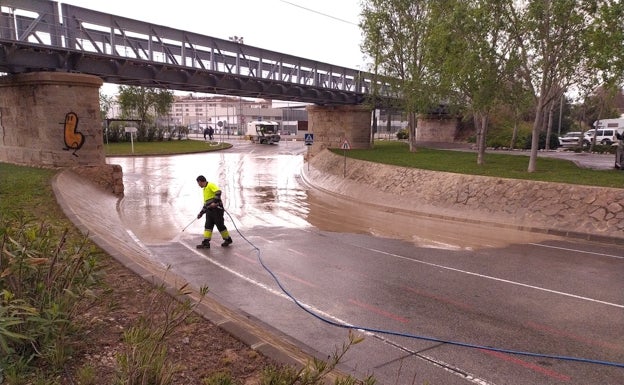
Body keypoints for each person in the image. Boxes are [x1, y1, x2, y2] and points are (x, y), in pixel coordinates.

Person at [195, 175, 233, 249]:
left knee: (220, 226)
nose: (198, 185)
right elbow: (206, 204)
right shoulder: (204, 189)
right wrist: (201, 213)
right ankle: (206, 243)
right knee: (208, 226)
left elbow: (218, 192)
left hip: (217, 210)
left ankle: (228, 239)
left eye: (198, 183)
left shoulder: (210, 185)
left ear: (200, 181)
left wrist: (215, 202)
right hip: (210, 211)